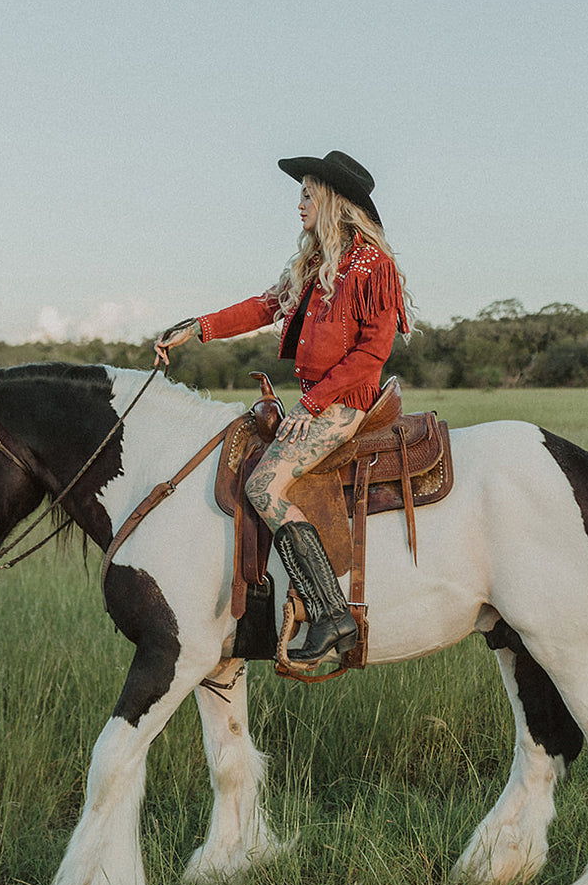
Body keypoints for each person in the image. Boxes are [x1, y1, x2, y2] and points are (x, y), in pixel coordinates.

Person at [156, 150, 412, 666]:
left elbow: (371, 355)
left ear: (334, 202)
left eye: (307, 194)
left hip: (345, 403)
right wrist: (197, 328)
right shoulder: (316, 264)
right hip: (321, 398)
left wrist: (314, 403)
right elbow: (263, 306)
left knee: (263, 485)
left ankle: (330, 612)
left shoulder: (373, 267)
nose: (299, 205)